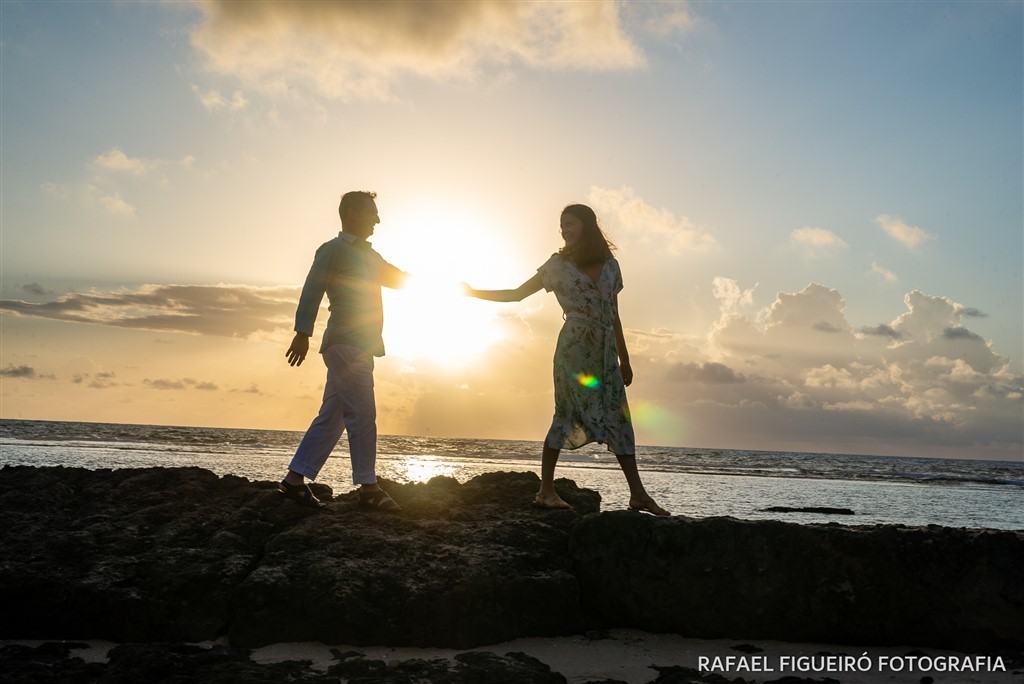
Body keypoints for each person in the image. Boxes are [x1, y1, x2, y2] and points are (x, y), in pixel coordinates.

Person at [466, 204, 669, 515]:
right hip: (574, 349)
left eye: (569, 223)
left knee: (619, 417)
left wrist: (624, 359)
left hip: (604, 354)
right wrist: (472, 292)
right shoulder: (557, 265)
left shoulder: (611, 266)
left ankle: (638, 494)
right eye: (561, 225)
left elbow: (614, 315)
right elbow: (517, 294)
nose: (564, 230)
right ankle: (546, 490)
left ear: (586, 225)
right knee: (566, 413)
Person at [278, 190, 407, 511]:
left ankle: (294, 481)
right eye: (371, 212)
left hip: (363, 345)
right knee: (363, 413)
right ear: (351, 214)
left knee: (333, 415)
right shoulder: (333, 250)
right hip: (345, 343)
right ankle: (368, 487)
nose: (378, 219)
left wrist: (448, 284)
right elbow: (312, 289)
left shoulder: (370, 256)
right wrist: (302, 332)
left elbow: (400, 279)